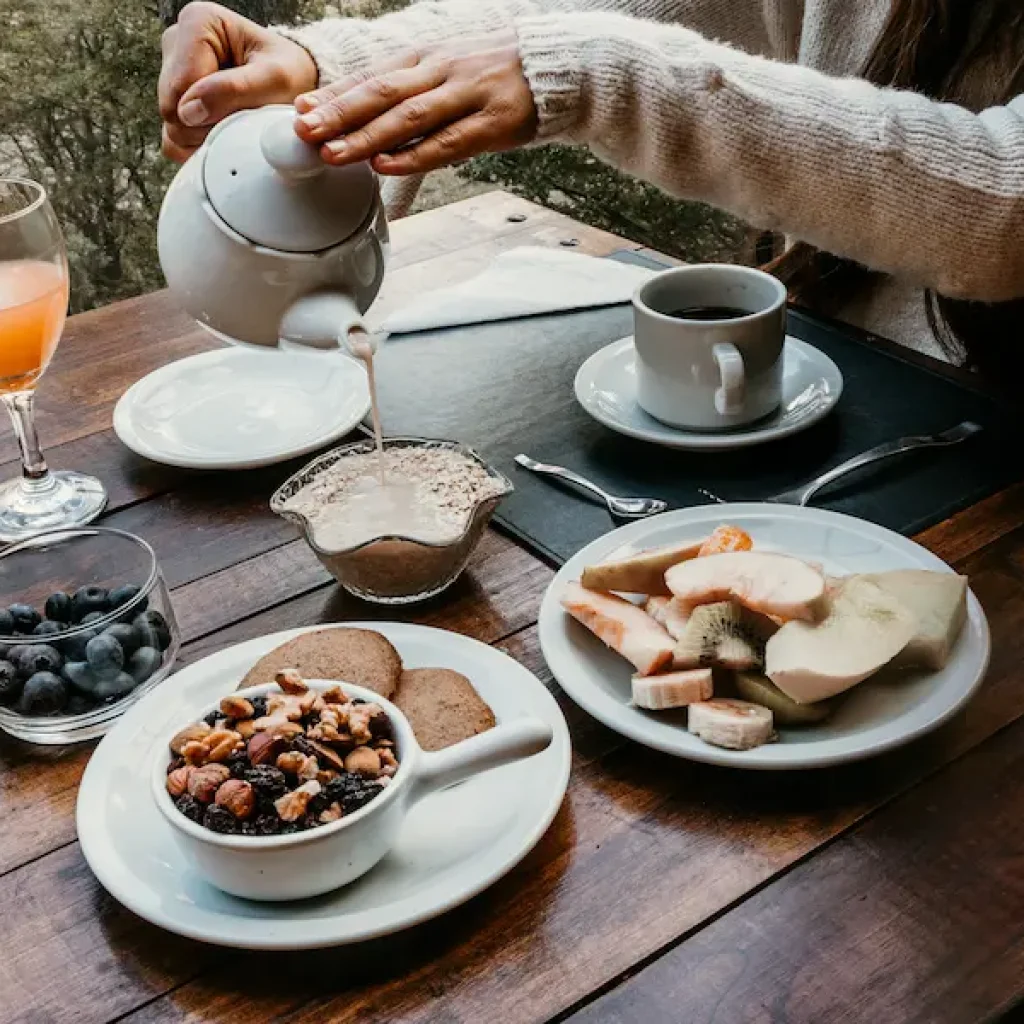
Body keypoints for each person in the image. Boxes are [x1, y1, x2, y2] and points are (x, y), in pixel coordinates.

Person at [159, 1, 1024, 377]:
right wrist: (326, 68)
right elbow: (597, 5)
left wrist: (604, 76)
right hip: (844, 361)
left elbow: (1001, 209)